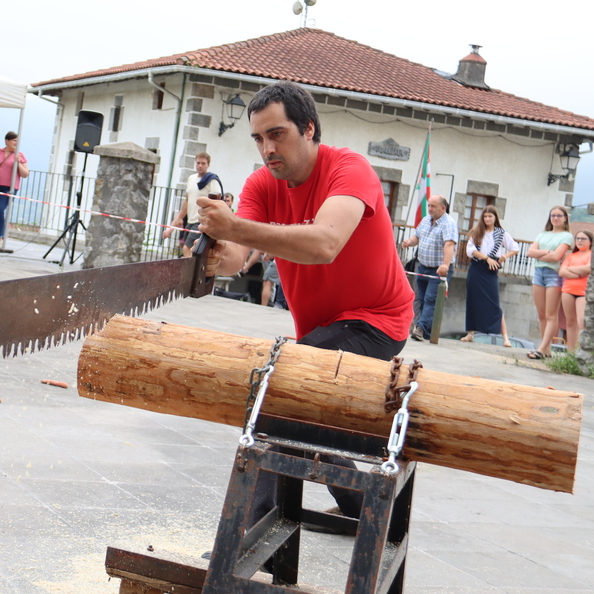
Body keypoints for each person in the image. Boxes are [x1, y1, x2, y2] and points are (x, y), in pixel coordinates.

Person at [197, 81, 413, 532]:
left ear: (309, 129)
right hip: (323, 330)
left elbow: (325, 243)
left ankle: (246, 537)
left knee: (280, 391)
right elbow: (237, 257)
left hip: (377, 322)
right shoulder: (263, 184)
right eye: (258, 138)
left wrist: (235, 227)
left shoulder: (349, 169)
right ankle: (367, 508)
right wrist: (216, 253)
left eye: (277, 134)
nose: (267, 149)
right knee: (299, 412)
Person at [400, 195, 458, 343]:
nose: (430, 209)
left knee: (430, 299)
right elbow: (417, 237)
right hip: (423, 265)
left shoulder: (448, 223)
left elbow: (449, 244)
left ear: (443, 208)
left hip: (438, 269)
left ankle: (420, 328)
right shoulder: (426, 220)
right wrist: (409, 242)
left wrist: (445, 265)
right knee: (420, 299)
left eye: (433, 206)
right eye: (429, 206)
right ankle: (425, 331)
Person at [461, 205, 520, 346]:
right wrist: (487, 258)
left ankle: (505, 337)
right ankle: (470, 333)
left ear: (495, 218)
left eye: (490, 216)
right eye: (485, 216)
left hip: (491, 270)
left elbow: (515, 248)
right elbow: (470, 250)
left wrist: (504, 256)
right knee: (473, 300)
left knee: (495, 302)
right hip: (477, 267)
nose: (487, 219)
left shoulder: (501, 233)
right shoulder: (477, 232)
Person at [526, 206, 574, 360]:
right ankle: (546, 349)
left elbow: (556, 257)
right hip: (538, 273)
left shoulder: (566, 236)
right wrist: (547, 252)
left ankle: (541, 349)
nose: (555, 218)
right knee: (541, 314)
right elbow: (529, 252)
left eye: (559, 215)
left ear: (565, 218)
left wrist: (540, 254)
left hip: (554, 274)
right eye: (553, 215)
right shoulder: (543, 234)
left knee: (551, 314)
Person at [162, 151, 223, 257]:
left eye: (203, 163)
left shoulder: (212, 181)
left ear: (208, 165)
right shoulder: (191, 179)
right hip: (190, 221)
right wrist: (171, 228)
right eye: (198, 163)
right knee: (190, 250)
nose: (200, 166)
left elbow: (217, 203)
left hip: (202, 221)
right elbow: (186, 204)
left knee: (188, 248)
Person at [0, 131, 27, 253]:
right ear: (7, 141)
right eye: (14, 140)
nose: (16, 143)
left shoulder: (19, 155)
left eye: (17, 141)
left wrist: (18, 162)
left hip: (9, 187)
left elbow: (25, 174)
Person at [559, 230, 593, 352]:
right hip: (568, 290)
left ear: (590, 242)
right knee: (570, 322)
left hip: (583, 292)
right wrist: (579, 274)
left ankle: (580, 351)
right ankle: (571, 351)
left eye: (583, 239)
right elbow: (562, 272)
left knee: (581, 322)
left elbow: (588, 269)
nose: (579, 241)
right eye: (577, 238)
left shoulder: (591, 254)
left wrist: (570, 268)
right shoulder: (571, 256)